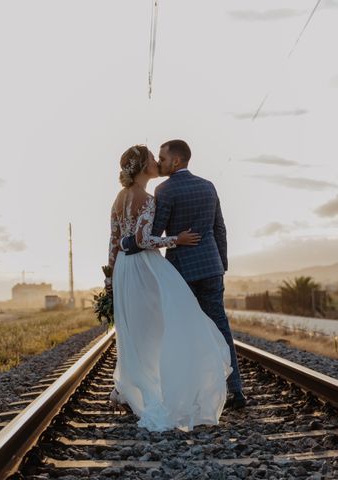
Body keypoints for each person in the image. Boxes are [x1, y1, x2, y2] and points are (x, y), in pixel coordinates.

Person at [107, 144, 232, 432]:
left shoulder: (119, 198)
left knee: (135, 330)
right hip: (144, 267)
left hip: (124, 270)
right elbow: (143, 240)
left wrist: (110, 278)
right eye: (152, 158)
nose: (156, 161)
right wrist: (178, 239)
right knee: (165, 324)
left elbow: (115, 242)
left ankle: (133, 387)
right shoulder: (148, 199)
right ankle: (167, 385)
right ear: (142, 168)